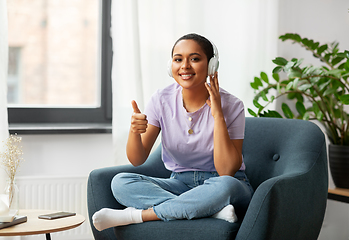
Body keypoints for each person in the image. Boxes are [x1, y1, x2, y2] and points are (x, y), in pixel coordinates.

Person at [92, 33, 254, 231]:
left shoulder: (233, 105)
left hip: (224, 184)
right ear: (171, 66)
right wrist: (134, 131)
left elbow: (226, 171)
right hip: (179, 184)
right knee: (121, 182)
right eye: (178, 59)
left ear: (212, 65)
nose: (184, 66)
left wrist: (218, 114)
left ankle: (138, 216)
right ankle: (208, 210)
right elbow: (137, 159)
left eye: (194, 59)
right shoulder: (161, 100)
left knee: (227, 186)